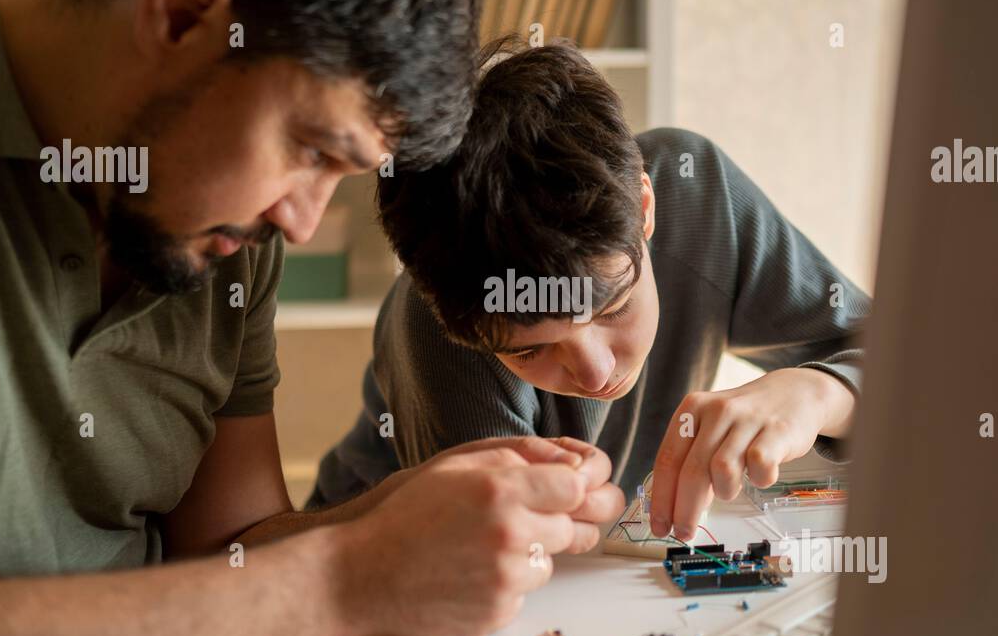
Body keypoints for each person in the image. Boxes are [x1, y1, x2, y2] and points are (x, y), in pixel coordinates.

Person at [0, 0, 620, 636]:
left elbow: (226, 552)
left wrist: (407, 512)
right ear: (185, 13)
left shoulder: (225, 237)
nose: (302, 221)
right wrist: (352, 579)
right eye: (312, 148)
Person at [312, 41, 870, 541]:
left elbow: (921, 371)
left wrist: (821, 391)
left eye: (614, 305)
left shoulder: (698, 191)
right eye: (528, 351)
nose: (597, 375)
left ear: (646, 207)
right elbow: (501, 560)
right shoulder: (440, 323)